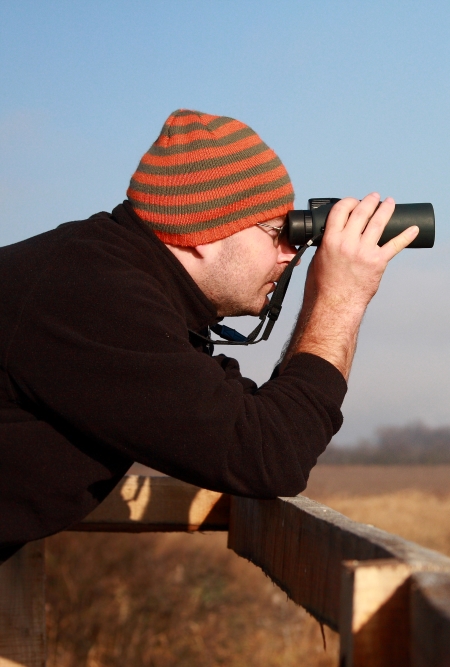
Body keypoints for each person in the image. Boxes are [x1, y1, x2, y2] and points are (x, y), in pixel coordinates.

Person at [0, 109, 417, 563]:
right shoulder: (90, 296)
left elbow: (261, 424)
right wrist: (339, 300)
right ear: (202, 228)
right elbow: (268, 454)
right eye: (277, 232)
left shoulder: (114, 280)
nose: (289, 254)